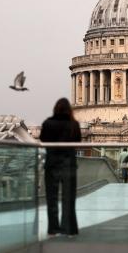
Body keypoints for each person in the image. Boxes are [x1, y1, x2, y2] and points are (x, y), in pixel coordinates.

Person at [40, 98, 81, 237]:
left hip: (52, 163)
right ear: (69, 109)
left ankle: (52, 229)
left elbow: (43, 140)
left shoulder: (47, 123)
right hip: (68, 163)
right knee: (68, 198)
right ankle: (69, 229)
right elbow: (78, 141)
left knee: (51, 198)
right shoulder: (73, 124)